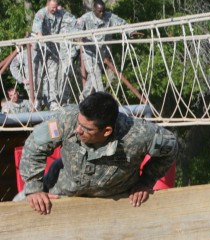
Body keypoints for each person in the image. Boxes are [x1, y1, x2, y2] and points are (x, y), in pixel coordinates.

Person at [17, 91, 179, 214]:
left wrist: (146, 181)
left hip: (116, 199)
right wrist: (34, 188)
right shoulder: (66, 119)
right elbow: (34, 147)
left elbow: (170, 148)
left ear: (107, 131)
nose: (77, 130)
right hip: (60, 192)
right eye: (79, 123)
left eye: (86, 129)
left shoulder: (139, 134)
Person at [32, 0, 79, 110]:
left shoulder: (60, 12)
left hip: (53, 50)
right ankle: (37, 100)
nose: (54, 10)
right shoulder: (41, 13)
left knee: (53, 76)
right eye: (52, 7)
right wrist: (40, 35)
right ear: (47, 5)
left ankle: (53, 101)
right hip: (41, 49)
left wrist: (78, 21)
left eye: (55, 7)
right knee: (38, 76)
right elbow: (37, 25)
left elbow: (72, 19)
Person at [76, 0, 128, 99]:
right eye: (99, 11)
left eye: (103, 11)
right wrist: (79, 36)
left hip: (101, 53)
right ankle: (103, 99)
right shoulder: (86, 18)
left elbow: (121, 23)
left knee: (92, 78)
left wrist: (131, 31)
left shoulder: (109, 16)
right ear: (94, 10)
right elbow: (76, 29)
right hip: (89, 52)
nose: (102, 13)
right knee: (96, 74)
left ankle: (83, 99)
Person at [9, 39, 48, 110]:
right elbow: (13, 66)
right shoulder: (24, 54)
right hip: (32, 87)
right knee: (35, 107)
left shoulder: (42, 52)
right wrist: (22, 79)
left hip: (45, 85)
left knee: (48, 106)